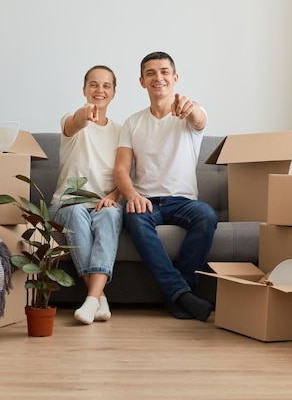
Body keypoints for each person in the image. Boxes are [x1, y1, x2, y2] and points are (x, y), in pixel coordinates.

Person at [113, 52, 217, 321]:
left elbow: (199, 118)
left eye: (163, 72)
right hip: (146, 201)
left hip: (184, 202)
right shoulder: (132, 123)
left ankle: (177, 292)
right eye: (150, 73)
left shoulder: (189, 112)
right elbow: (122, 170)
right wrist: (132, 194)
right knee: (133, 216)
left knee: (206, 215)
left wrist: (190, 107)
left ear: (174, 78)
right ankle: (183, 296)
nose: (158, 77)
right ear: (142, 82)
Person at [49, 65, 123, 325]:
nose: (99, 90)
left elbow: (124, 174)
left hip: (103, 203)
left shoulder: (121, 131)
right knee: (76, 211)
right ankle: (98, 298)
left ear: (113, 92)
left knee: (112, 214)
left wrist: (113, 195)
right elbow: (75, 123)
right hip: (67, 202)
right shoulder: (71, 119)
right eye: (93, 84)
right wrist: (84, 115)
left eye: (106, 85)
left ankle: (91, 301)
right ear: (84, 90)